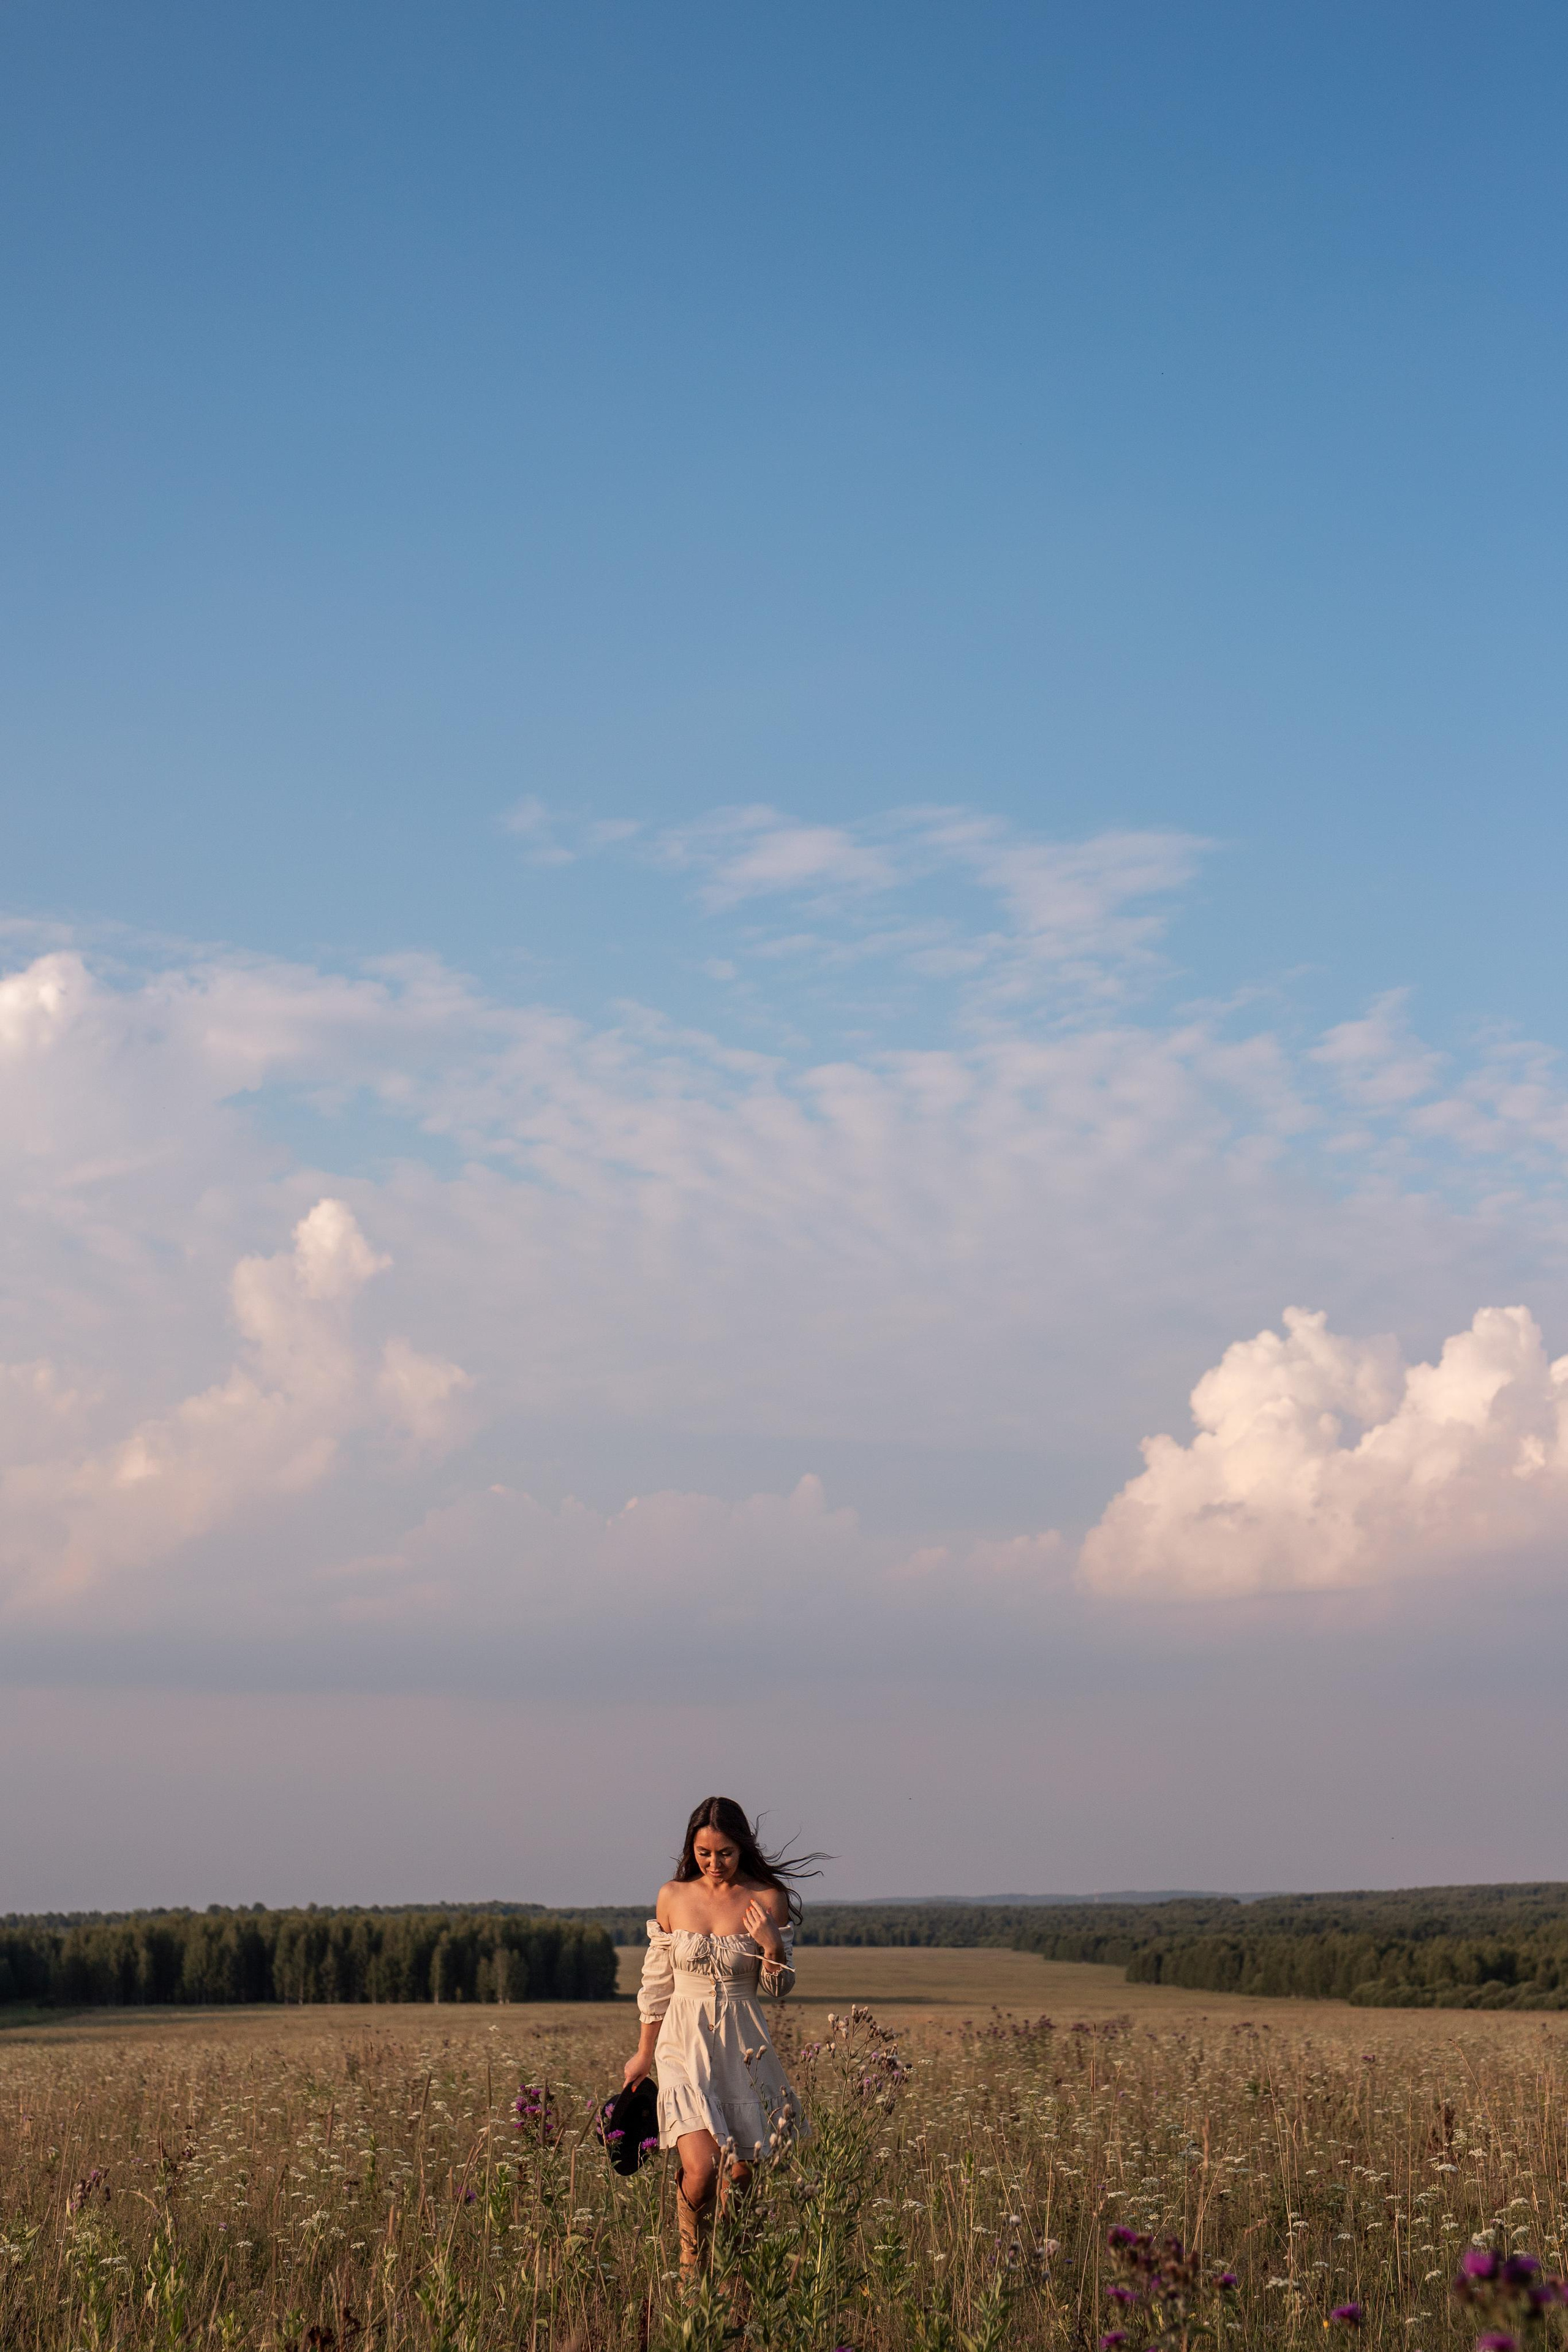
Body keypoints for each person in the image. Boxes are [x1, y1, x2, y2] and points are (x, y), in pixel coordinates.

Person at [622, 1796, 817, 2277]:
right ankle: (691, 2269)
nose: (714, 1863)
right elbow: (657, 1982)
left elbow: (778, 1986)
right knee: (703, 2168)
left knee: (742, 2176)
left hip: (742, 2045)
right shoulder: (672, 1896)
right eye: (705, 1852)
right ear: (693, 1848)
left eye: (725, 1853)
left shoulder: (766, 1899)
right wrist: (643, 2053)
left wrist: (772, 1943)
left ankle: (733, 2276)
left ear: (742, 1847)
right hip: (680, 2044)